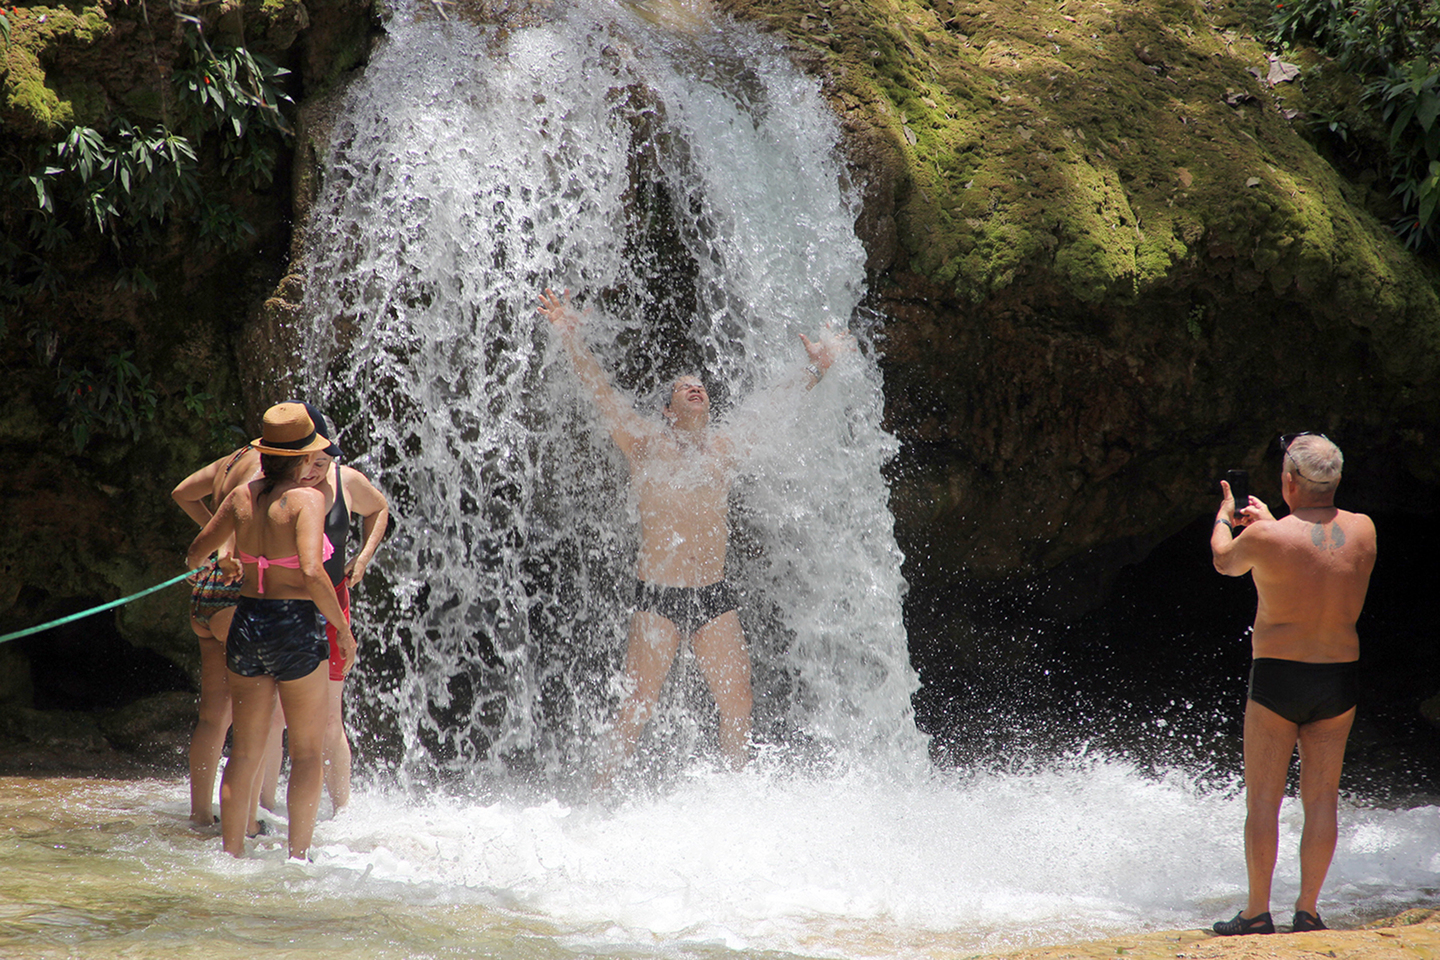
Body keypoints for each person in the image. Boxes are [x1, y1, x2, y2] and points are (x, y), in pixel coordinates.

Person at [537, 287, 850, 779]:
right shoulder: (644, 444)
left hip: (712, 596)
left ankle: (735, 796)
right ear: (669, 408)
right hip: (658, 595)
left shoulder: (723, 449)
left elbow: (771, 412)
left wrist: (816, 369)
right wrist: (571, 339)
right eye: (685, 386)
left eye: (701, 385)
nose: (695, 387)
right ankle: (598, 795)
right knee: (638, 703)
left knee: (738, 699)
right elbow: (601, 394)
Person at [1209, 432, 1376, 935]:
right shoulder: (1365, 529)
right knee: (1321, 798)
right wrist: (1273, 524)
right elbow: (1316, 548)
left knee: (1263, 799)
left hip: (1279, 674)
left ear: (1288, 482)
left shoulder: (1268, 537)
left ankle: (1257, 911)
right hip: (1338, 675)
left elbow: (1225, 560)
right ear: (1337, 480)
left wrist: (1225, 514)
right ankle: (1308, 911)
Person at [186, 403, 357, 859]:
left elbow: (193, 554)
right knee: (304, 751)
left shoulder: (242, 495)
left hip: (246, 622)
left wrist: (228, 557)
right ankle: (298, 858)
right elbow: (311, 571)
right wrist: (341, 629)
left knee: (243, 749)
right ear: (303, 459)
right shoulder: (308, 499)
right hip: (294, 625)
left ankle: (231, 855)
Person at [256, 403, 389, 813]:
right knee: (277, 714)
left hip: (331, 601)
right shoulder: (272, 487)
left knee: (332, 716)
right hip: (283, 604)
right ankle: (263, 808)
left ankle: (342, 810)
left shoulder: (345, 481)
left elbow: (380, 508)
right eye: (307, 461)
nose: (313, 469)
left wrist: (363, 558)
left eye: (321, 460)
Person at [172, 444, 260, 827]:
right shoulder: (263, 467)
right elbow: (238, 513)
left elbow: (182, 492)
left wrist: (210, 531)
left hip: (205, 596)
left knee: (212, 717)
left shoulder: (233, 460)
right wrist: (226, 547)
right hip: (233, 592)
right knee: (252, 716)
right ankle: (248, 820)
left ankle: (200, 815)